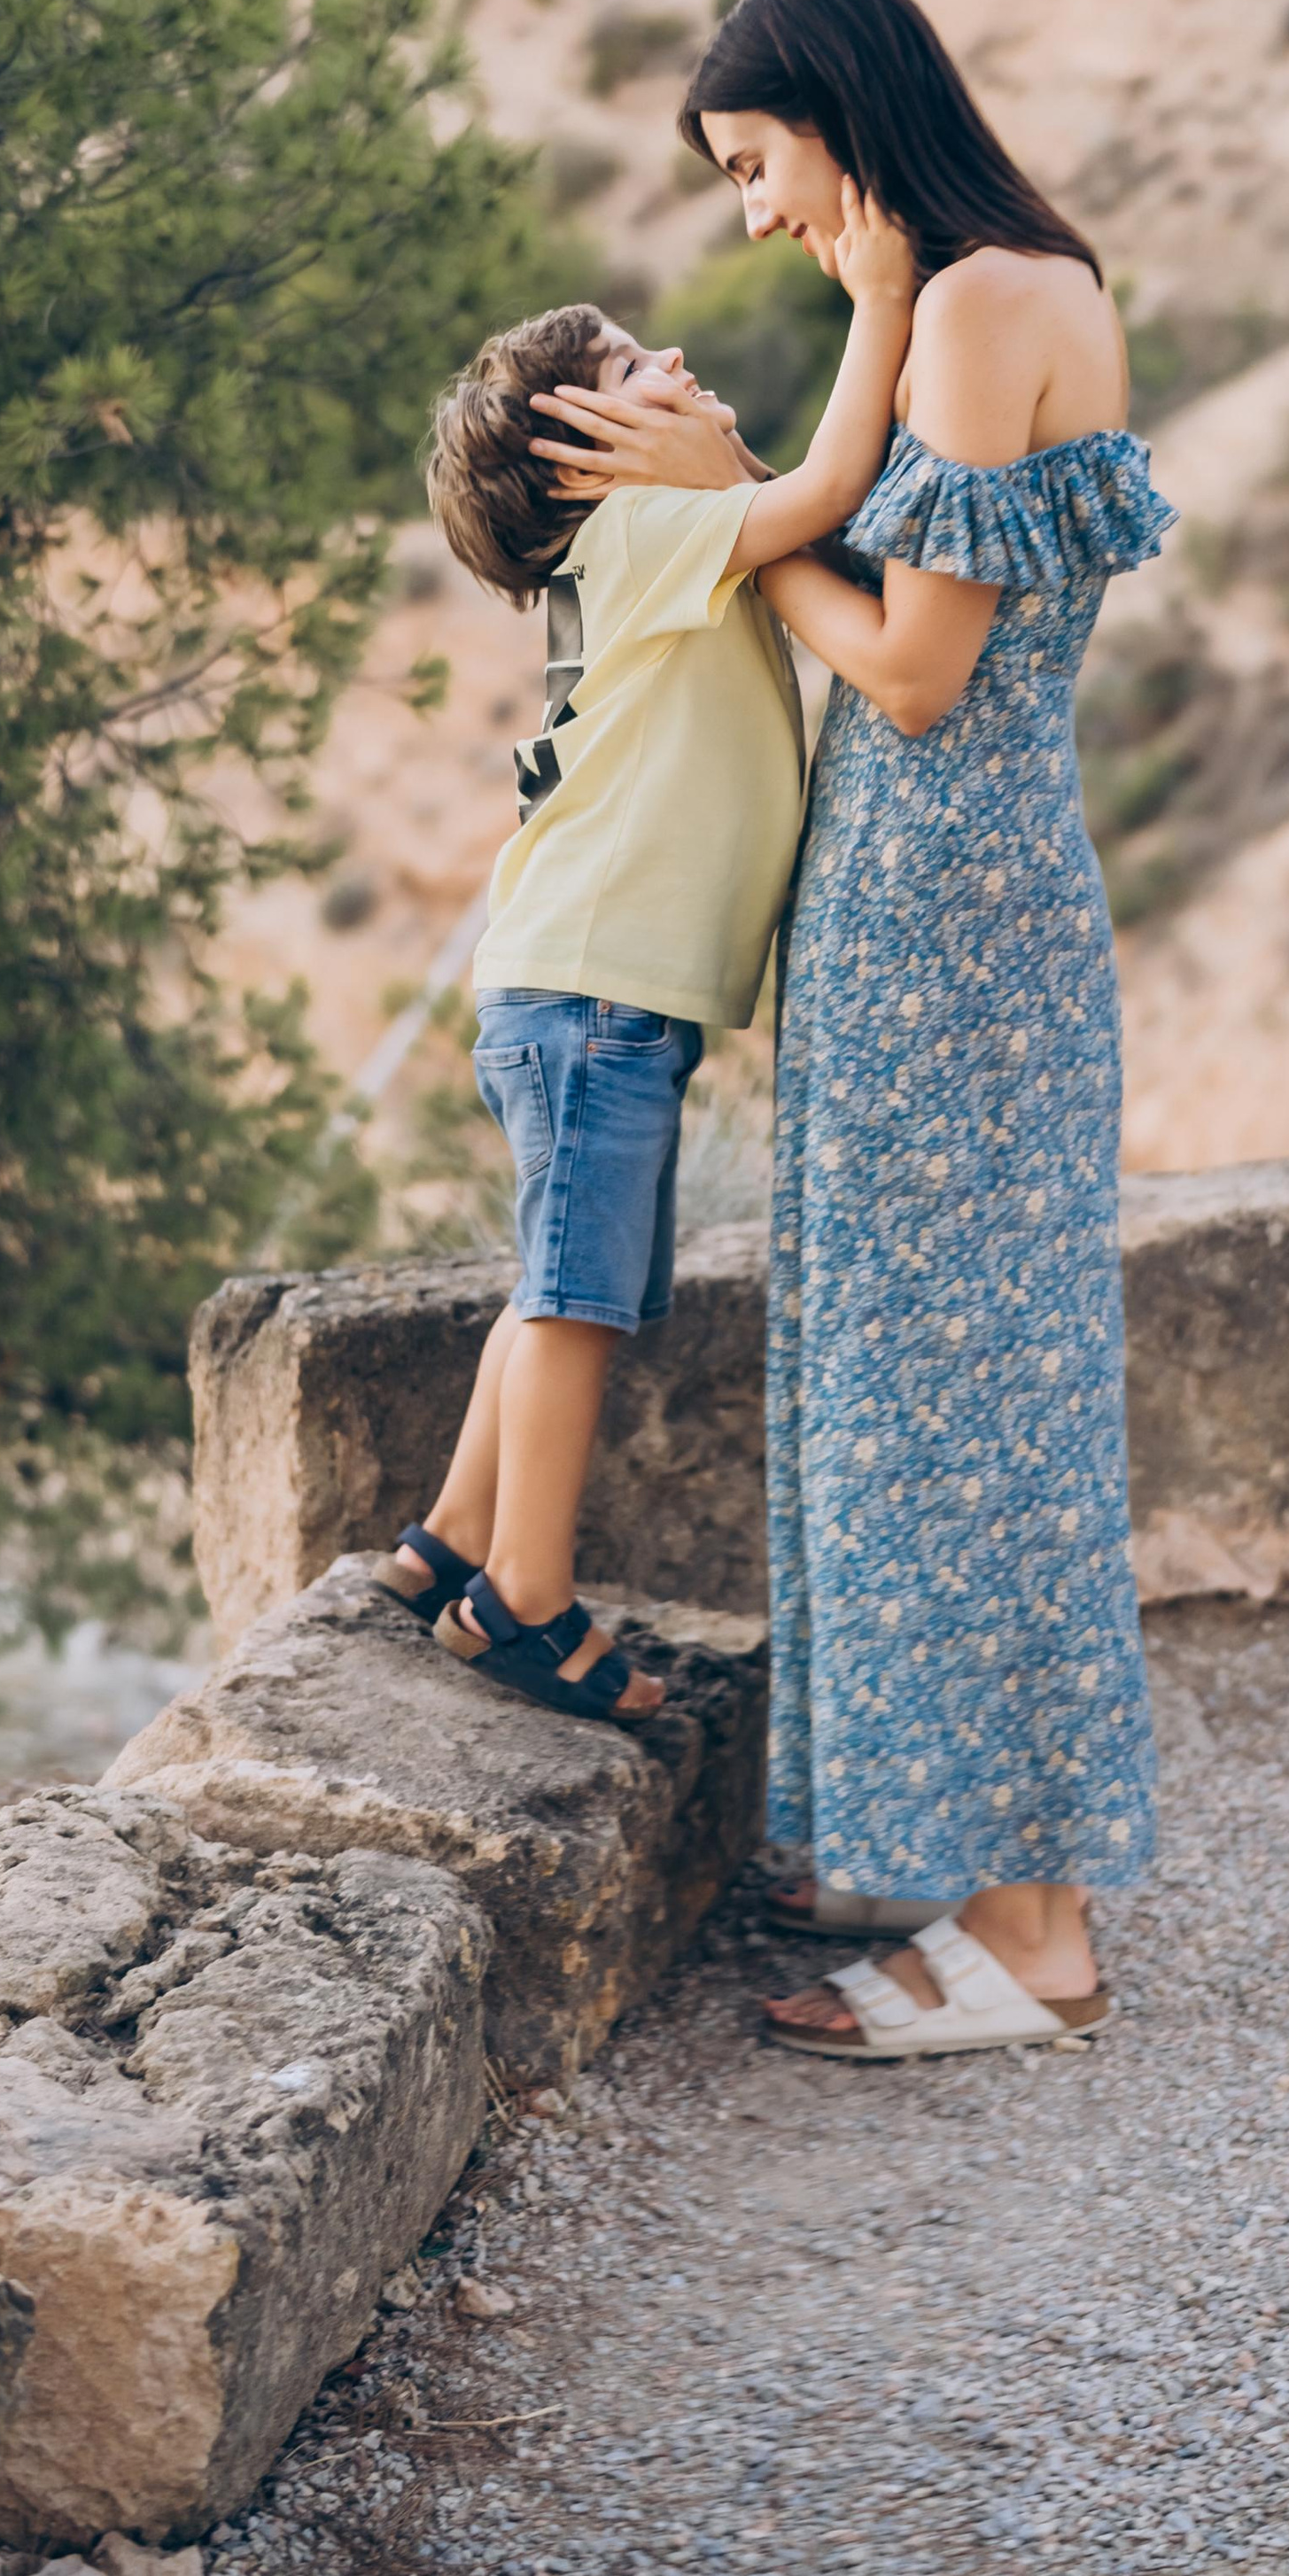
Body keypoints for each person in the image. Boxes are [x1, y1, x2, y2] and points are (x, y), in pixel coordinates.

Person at [533, 0, 1169, 2054]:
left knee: (957, 1407)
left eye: (754, 165)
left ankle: (1031, 1936)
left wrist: (715, 506)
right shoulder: (999, 287)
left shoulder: (977, 308)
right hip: (951, 906)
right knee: (946, 1389)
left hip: (944, 916)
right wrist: (780, 430)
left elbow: (910, 671)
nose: (752, 213)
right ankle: (960, 1859)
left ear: (837, 111)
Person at [374, 206, 917, 1724]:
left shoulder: (633, 544)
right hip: (595, 989)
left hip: (580, 982)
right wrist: (881, 300)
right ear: (589, 460)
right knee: (576, 1299)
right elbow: (832, 492)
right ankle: (522, 1599)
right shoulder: (646, 529)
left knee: (555, 1277)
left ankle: (446, 1539)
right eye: (633, 370)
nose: (674, 358)